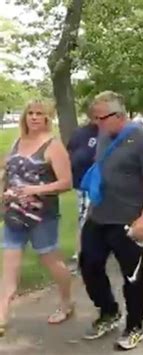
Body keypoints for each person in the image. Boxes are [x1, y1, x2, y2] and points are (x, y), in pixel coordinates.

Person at [79, 91, 143, 350]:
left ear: (119, 115)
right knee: (89, 265)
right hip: (99, 216)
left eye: (101, 117)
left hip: (129, 220)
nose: (97, 123)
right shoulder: (104, 135)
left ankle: (135, 325)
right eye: (95, 117)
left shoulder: (141, 138)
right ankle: (109, 310)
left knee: (132, 276)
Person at [0, 99, 74, 336]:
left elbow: (66, 183)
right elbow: (6, 172)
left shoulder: (53, 146)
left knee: (51, 261)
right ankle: (2, 314)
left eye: (39, 114)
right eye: (30, 113)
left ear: (46, 118)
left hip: (43, 217)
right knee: (9, 266)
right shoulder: (16, 142)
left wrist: (34, 190)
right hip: (13, 215)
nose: (33, 117)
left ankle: (66, 301)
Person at [66, 105, 99, 262]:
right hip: (84, 183)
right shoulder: (80, 133)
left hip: (108, 182)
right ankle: (80, 252)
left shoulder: (111, 133)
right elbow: (71, 154)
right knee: (85, 216)